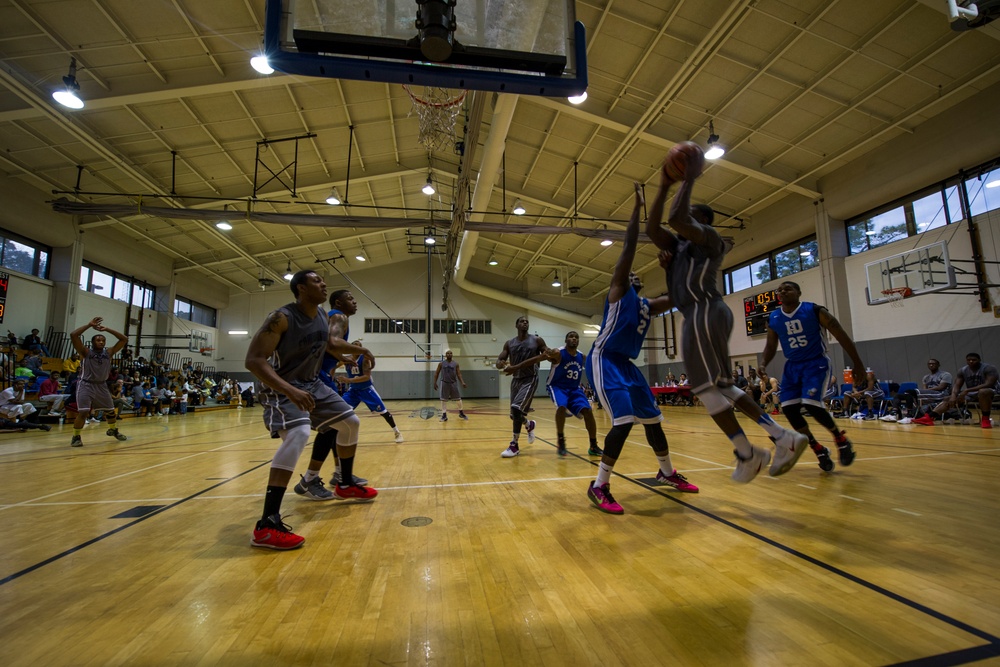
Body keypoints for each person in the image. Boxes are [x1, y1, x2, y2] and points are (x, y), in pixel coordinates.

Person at [645, 148, 808, 484]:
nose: (679, 222)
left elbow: (676, 219)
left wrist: (688, 178)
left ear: (701, 221)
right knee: (722, 386)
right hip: (703, 313)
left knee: (705, 389)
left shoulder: (710, 240)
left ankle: (748, 454)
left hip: (703, 312)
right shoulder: (679, 250)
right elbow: (653, 229)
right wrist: (662, 186)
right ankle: (782, 437)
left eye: (690, 215)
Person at [583, 184, 698, 515]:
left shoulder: (648, 304)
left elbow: (680, 297)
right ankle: (599, 485)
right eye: (626, 270)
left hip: (627, 366)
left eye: (635, 272)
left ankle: (666, 472)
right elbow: (630, 247)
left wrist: (672, 269)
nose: (630, 271)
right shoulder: (618, 291)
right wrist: (638, 210)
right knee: (622, 423)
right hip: (604, 361)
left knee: (653, 420)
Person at [245, 270, 377, 550]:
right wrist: (289, 390)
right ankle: (267, 524)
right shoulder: (281, 318)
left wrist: (353, 355)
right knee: (299, 432)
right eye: (317, 281)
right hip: (281, 386)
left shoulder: (320, 316)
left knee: (350, 423)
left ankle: (344, 482)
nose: (323, 284)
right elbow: (254, 360)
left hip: (313, 383)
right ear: (301, 288)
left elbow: (329, 344)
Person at [760, 280, 863, 471]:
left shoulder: (815, 310)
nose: (783, 291)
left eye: (788, 289)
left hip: (816, 363)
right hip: (792, 367)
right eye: (780, 290)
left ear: (798, 292)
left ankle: (841, 440)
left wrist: (858, 363)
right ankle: (818, 449)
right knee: (789, 409)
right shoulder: (774, 318)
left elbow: (841, 335)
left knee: (810, 404)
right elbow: (771, 345)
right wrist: (763, 363)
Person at [504, 331, 603, 457]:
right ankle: (561, 441)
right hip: (557, 387)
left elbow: (595, 367)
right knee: (561, 406)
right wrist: (516, 367)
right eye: (571, 337)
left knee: (588, 412)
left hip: (574, 389)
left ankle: (593, 445)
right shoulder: (557, 352)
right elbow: (536, 359)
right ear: (565, 340)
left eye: (576, 337)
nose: (574, 339)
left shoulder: (582, 357)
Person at [68, 317, 128, 447]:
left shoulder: (109, 352)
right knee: (83, 412)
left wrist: (107, 329)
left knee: (110, 411)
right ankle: (76, 437)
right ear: (93, 342)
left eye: (103, 340)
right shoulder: (86, 352)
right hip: (86, 384)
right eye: (98, 340)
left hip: (101, 385)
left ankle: (113, 429)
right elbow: (74, 335)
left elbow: (124, 339)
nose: (101, 342)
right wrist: (89, 325)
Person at [495, 316, 546, 458]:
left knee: (516, 408)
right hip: (516, 380)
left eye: (527, 321)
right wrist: (500, 364)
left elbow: (546, 353)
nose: (525, 323)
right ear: (516, 325)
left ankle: (514, 444)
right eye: (522, 321)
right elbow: (500, 359)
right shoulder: (509, 343)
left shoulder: (537, 340)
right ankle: (528, 424)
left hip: (530, 378)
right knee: (514, 415)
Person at [337, 340, 404, 443]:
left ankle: (397, 432)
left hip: (366, 390)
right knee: (339, 410)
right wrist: (330, 373)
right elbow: (335, 364)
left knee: (384, 412)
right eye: (354, 347)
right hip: (353, 391)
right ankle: (339, 434)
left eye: (358, 347)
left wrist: (349, 380)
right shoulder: (347, 359)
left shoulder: (364, 359)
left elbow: (366, 377)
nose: (356, 349)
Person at [914, 352, 997, 429]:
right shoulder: (963, 370)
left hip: (992, 391)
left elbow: (989, 384)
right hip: (972, 393)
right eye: (969, 360)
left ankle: (985, 419)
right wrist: (953, 396)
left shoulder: (989, 368)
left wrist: (967, 390)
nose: (971, 361)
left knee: (983, 391)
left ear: (979, 360)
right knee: (948, 398)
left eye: (974, 360)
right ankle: (929, 417)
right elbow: (957, 385)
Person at [882, 359, 952, 423]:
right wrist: (924, 391)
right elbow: (925, 389)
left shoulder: (945, 374)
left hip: (941, 394)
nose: (931, 365)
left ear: (938, 365)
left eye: (933, 363)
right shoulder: (926, 377)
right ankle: (894, 414)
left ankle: (909, 416)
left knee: (910, 392)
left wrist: (924, 391)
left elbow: (941, 387)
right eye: (929, 364)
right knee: (898, 396)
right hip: (929, 395)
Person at [433, 350, 468, 421]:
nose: (449, 354)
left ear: (452, 355)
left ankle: (461, 413)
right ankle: (444, 415)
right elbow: (436, 373)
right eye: (447, 353)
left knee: (458, 399)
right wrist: (435, 382)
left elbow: (459, 374)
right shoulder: (441, 364)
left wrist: (462, 382)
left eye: (450, 353)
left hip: (453, 383)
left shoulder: (456, 364)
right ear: (445, 355)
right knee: (443, 400)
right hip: (444, 383)